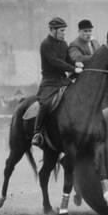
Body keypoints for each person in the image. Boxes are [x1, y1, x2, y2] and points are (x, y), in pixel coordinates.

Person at [32, 17, 84, 147]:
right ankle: (37, 133)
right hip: (49, 82)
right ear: (53, 30)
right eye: (61, 31)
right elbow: (55, 62)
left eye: (64, 31)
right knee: (45, 104)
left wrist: (76, 63)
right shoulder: (45, 45)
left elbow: (67, 60)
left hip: (63, 80)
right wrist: (73, 69)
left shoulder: (64, 44)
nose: (64, 33)